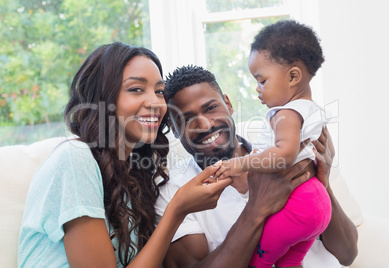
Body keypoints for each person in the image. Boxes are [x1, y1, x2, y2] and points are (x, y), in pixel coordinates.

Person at [17, 42, 234, 267]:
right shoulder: (75, 158)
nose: (155, 103)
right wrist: (177, 210)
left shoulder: (132, 173)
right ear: (103, 97)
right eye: (136, 89)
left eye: (159, 92)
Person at [155, 64, 358, 267]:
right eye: (187, 119)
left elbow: (347, 254)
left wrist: (324, 184)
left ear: (228, 103)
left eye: (211, 108)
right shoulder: (175, 192)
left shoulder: (282, 147)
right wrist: (256, 209)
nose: (205, 125)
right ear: (173, 128)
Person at [213, 20, 332, 267]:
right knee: (290, 262)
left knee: (258, 262)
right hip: (319, 205)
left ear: (293, 76)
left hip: (298, 206)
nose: (257, 89)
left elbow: (285, 154)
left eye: (262, 80)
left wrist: (239, 164)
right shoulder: (312, 112)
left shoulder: (287, 114)